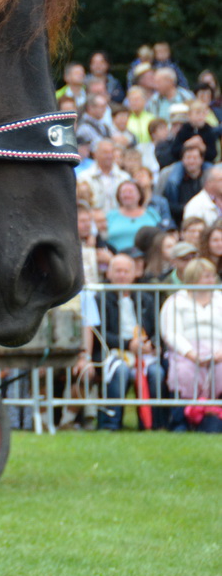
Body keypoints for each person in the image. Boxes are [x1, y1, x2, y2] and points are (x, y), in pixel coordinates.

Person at [81, 252, 163, 430]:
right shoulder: (100, 298)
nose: (122, 275)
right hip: (112, 352)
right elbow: (99, 333)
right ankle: (111, 423)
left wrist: (152, 344)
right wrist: (128, 345)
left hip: (143, 353)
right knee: (121, 371)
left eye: (126, 271)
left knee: (157, 372)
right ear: (108, 274)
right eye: (117, 271)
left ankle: (153, 425)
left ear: (135, 274)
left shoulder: (146, 298)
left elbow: (158, 329)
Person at [159, 258, 222, 433]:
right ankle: (180, 422)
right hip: (186, 352)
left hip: (218, 351)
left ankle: (213, 420)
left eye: (212, 276)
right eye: (206, 276)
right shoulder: (176, 301)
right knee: (184, 372)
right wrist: (191, 354)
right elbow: (171, 332)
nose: (211, 280)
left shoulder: (220, 298)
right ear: (193, 278)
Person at [106, 180, 160, 251]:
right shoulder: (111, 216)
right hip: (118, 257)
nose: (127, 195)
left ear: (140, 194)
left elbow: (160, 236)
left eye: (130, 192)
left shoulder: (151, 213)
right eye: (123, 192)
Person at [78, 140, 129, 216]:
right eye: (105, 152)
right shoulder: (84, 177)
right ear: (95, 154)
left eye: (111, 152)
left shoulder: (124, 177)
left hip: (119, 220)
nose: (109, 156)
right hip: (94, 222)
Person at [162, 138, 211, 212]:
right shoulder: (176, 181)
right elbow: (170, 205)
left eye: (195, 158)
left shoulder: (208, 180)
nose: (191, 162)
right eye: (188, 158)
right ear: (182, 160)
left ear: (201, 160)